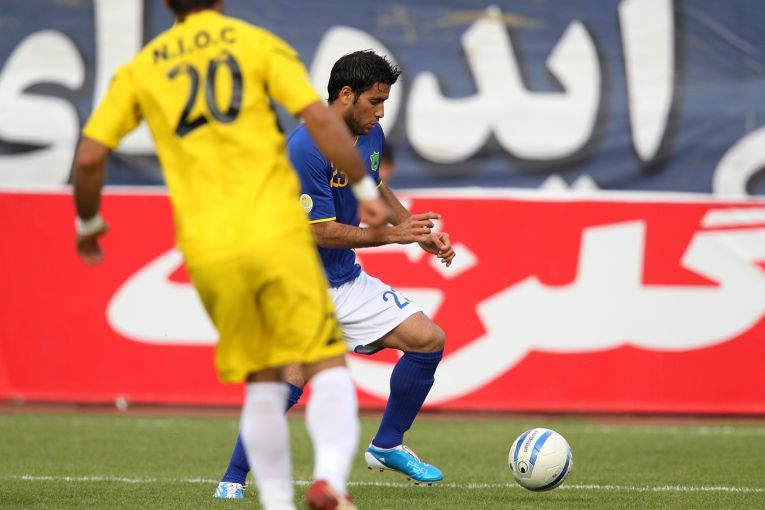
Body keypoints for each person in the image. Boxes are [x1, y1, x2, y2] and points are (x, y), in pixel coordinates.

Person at [72, 2, 391, 509]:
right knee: (326, 362)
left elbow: (89, 158)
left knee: (264, 377)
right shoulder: (255, 44)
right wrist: (366, 193)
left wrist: (88, 224)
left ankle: (276, 501)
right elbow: (319, 120)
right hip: (273, 228)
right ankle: (330, 478)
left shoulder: (140, 69)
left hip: (209, 247)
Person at [215, 50, 456, 499]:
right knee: (289, 380)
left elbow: (373, 186)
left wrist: (415, 231)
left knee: (427, 340)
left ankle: (387, 445)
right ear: (346, 95)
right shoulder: (306, 148)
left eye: (384, 103)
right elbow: (320, 231)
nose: (380, 113)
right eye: (374, 102)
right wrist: (392, 235)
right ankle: (231, 481)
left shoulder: (369, 134)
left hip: (344, 279)